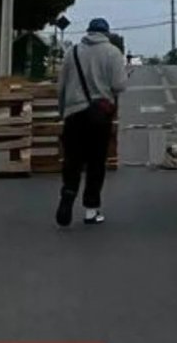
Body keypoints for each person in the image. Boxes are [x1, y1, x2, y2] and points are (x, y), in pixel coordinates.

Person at [56, 18, 128, 227]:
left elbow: (61, 87)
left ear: (88, 32)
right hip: (99, 116)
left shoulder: (72, 52)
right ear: (105, 33)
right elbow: (118, 85)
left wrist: (63, 112)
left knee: (73, 161)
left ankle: (68, 196)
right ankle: (91, 210)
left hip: (74, 114)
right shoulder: (112, 52)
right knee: (96, 162)